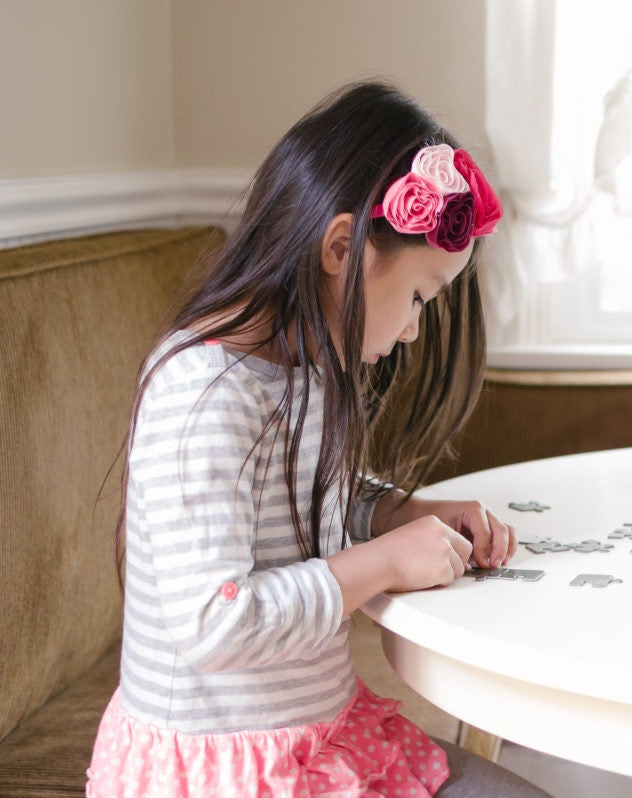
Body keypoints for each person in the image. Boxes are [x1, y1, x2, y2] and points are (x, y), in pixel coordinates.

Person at [86, 81, 550, 797]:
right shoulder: (203, 391)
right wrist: (387, 561)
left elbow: (313, 501)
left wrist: (405, 514)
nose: (413, 329)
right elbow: (216, 624)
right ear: (342, 247)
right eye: (421, 296)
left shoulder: (302, 365)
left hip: (317, 742)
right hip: (221, 773)